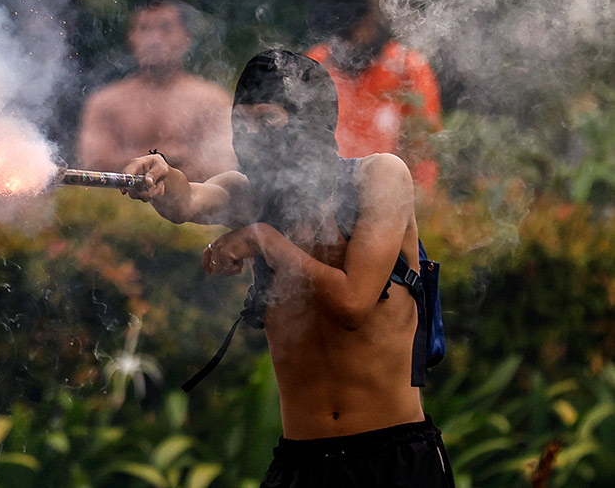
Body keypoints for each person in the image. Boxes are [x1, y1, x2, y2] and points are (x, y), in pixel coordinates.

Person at [123, 49, 454, 487]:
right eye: (241, 125)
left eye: (269, 121)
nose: (253, 137)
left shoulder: (378, 178)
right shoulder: (250, 195)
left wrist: (264, 239)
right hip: (301, 463)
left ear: (312, 121)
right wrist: (162, 174)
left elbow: (354, 304)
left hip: (394, 457)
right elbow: (189, 199)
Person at [75, 0, 238, 182]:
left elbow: (219, 169)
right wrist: (165, 157)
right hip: (117, 206)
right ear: (132, 37)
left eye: (165, 28)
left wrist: (137, 163)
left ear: (187, 38)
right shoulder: (105, 102)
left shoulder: (212, 101)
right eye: (144, 28)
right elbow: (92, 165)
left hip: (185, 206)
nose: (154, 39)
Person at [304, 0, 442, 192]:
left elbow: (423, 151)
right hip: (325, 198)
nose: (342, 45)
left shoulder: (407, 69)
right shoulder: (315, 64)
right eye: (336, 37)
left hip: (386, 198)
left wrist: (419, 207)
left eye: (349, 35)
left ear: (369, 23)